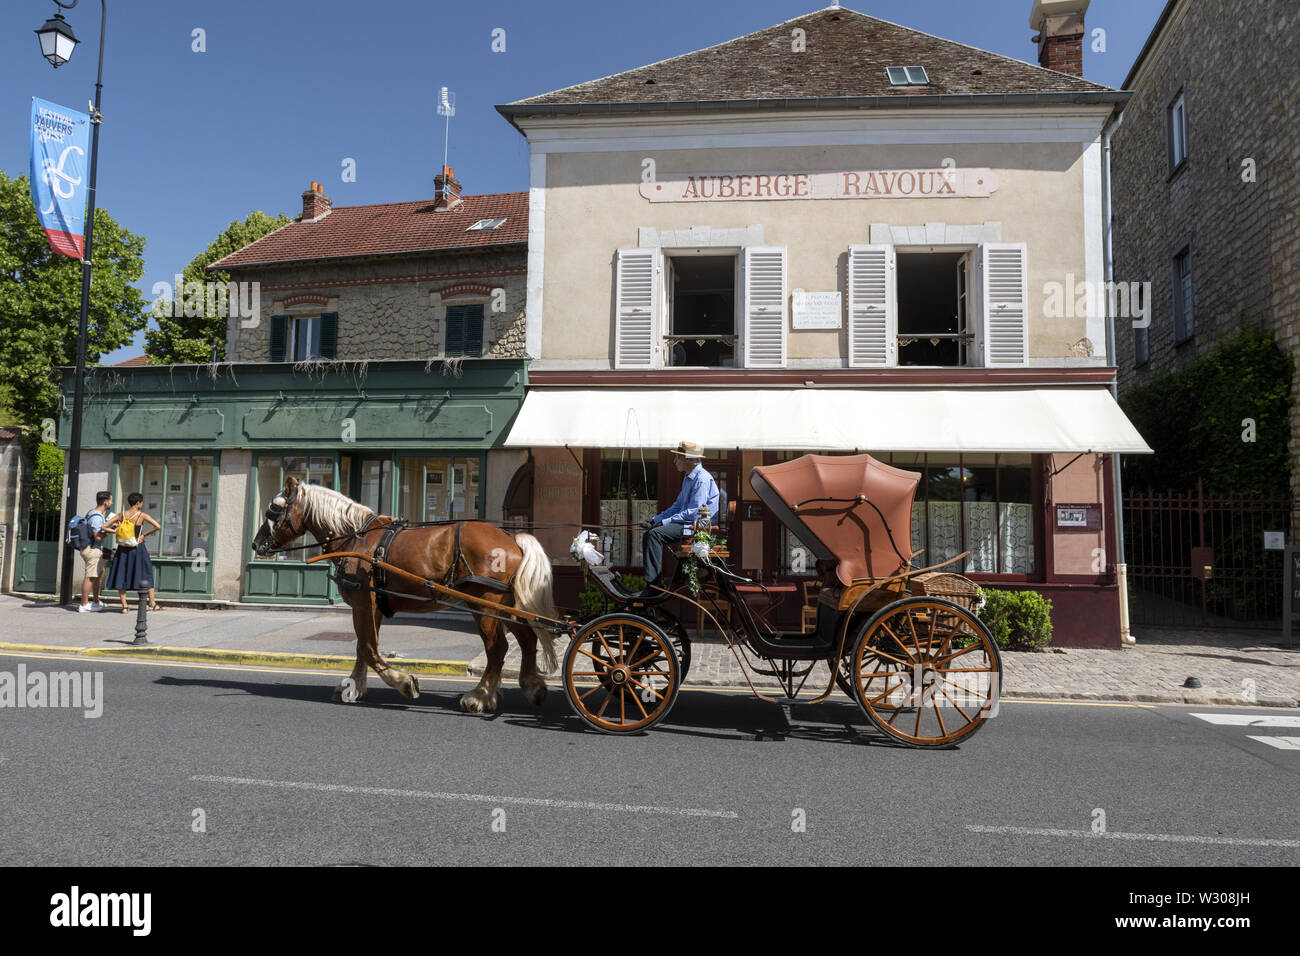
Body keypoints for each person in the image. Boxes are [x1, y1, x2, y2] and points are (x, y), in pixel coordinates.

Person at [639, 441, 720, 587]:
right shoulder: (688, 477)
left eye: (677, 457)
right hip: (688, 523)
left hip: (696, 526)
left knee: (653, 535)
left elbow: (693, 513)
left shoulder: (701, 479)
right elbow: (677, 507)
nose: (674, 461)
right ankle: (653, 584)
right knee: (650, 533)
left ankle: (653, 586)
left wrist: (663, 522)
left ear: (688, 459)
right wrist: (654, 520)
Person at [102, 492, 164, 614]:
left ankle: (125, 606)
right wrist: (143, 535)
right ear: (137, 503)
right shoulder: (141, 515)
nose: (142, 504)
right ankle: (152, 603)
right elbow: (158, 526)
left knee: (121, 573)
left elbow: (104, 527)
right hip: (138, 548)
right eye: (141, 502)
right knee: (146, 573)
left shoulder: (121, 514)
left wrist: (117, 532)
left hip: (123, 548)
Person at [75, 491, 113, 612]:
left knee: (99, 575)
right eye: (111, 500)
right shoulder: (96, 517)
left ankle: (96, 601)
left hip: (94, 549)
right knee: (90, 577)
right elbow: (97, 536)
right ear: (105, 502)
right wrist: (111, 530)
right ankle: (84, 604)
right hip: (92, 549)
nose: (111, 502)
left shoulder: (93, 513)